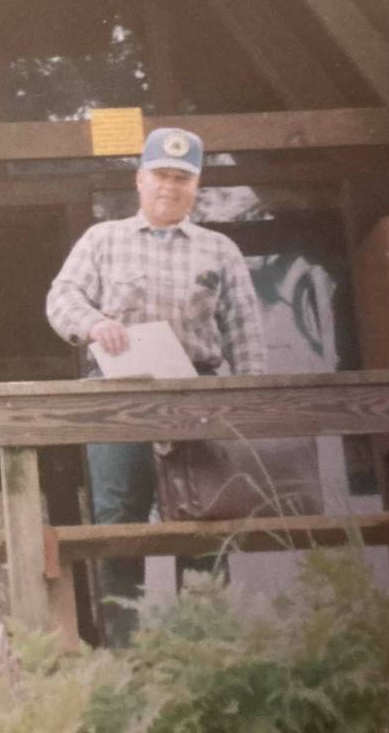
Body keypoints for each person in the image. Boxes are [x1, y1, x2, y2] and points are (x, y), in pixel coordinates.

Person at [46, 126, 266, 644]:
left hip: (197, 395)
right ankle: (126, 651)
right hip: (117, 394)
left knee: (206, 517)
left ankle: (206, 648)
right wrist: (94, 324)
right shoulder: (103, 239)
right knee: (117, 519)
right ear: (140, 179)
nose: (170, 186)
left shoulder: (220, 250)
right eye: (161, 175)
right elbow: (61, 299)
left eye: (182, 178)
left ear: (197, 185)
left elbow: (246, 330)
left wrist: (252, 403)